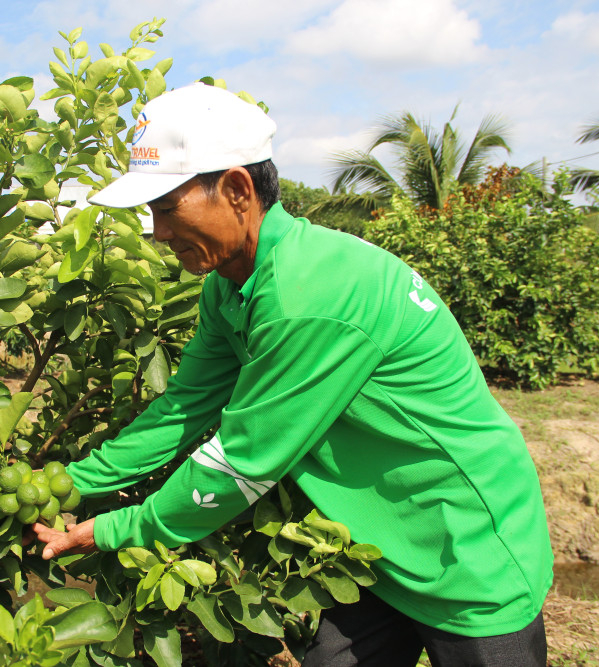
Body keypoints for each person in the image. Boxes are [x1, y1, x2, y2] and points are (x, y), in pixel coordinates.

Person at [32, 82, 553, 666]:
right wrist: (74, 483)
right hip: (377, 548)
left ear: (235, 190)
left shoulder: (310, 292)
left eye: (167, 207)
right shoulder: (228, 285)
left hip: (464, 544)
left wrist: (111, 529)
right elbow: (184, 408)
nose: (157, 232)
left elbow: (243, 461)